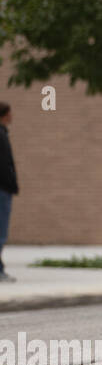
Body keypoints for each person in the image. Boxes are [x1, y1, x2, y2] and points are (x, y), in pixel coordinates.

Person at [0, 103, 16, 282]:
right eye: (10, 113)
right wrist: (11, 185)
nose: (13, 116)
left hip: (4, 188)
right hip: (2, 190)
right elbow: (4, 165)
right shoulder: (0, 136)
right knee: (1, 232)